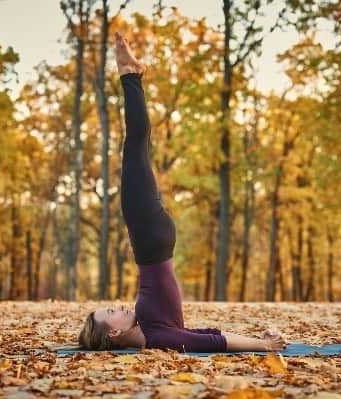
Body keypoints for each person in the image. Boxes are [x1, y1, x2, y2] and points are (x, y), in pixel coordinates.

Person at [78, 32, 288, 353]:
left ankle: (131, 74)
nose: (119, 306)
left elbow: (202, 334)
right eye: (112, 313)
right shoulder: (159, 338)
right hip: (149, 237)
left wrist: (259, 341)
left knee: (138, 147)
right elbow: (210, 340)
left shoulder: (153, 330)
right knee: (135, 146)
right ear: (114, 336)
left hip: (153, 239)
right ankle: (129, 74)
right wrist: (264, 345)